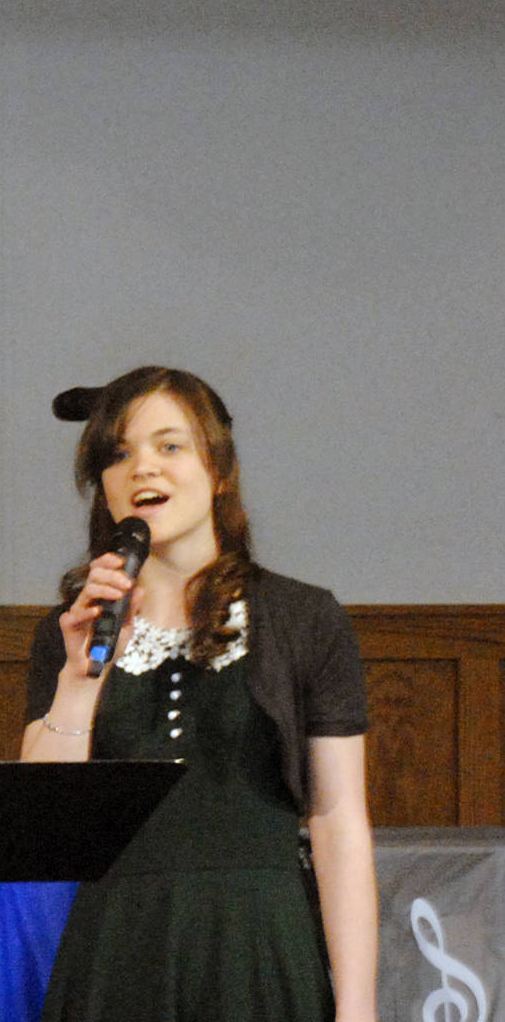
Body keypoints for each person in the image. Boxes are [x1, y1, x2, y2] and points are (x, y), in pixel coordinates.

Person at [20, 366, 376, 1022]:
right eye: (118, 454)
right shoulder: (72, 627)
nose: (142, 469)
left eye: (168, 446)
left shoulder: (303, 618)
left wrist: (357, 1006)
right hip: (117, 946)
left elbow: (336, 823)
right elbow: (42, 823)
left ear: (218, 469)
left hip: (260, 942)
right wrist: (78, 681)